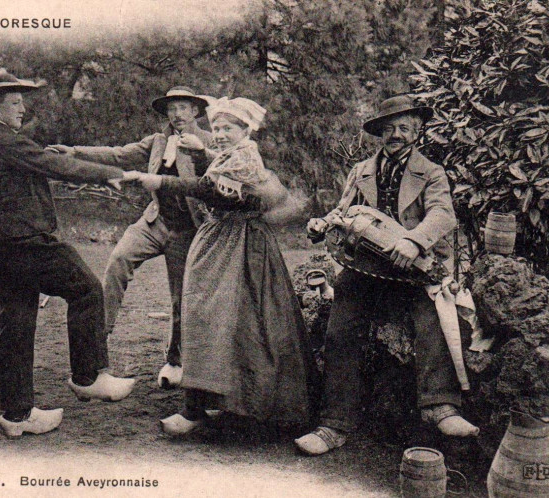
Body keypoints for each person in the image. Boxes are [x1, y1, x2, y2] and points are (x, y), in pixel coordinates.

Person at [0, 69, 138, 438]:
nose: (22, 110)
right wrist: (109, 174)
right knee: (85, 289)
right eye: (16, 103)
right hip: (28, 242)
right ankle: (89, 376)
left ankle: (17, 415)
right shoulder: (5, 141)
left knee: (16, 324)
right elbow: (59, 166)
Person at [295, 95, 479, 456]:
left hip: (413, 267)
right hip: (364, 266)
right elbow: (343, 209)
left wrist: (413, 241)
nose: (396, 134)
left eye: (404, 127)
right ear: (379, 133)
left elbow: (442, 215)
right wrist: (322, 223)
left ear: (418, 130)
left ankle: (440, 406)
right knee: (341, 329)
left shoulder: (431, 172)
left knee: (433, 318)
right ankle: (334, 424)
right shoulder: (361, 170)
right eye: (389, 128)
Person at [134, 96, 317, 436]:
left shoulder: (246, 157)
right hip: (221, 239)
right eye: (215, 127)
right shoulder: (231, 155)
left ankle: (220, 408)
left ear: (245, 130)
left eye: (227, 128)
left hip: (241, 246)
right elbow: (215, 177)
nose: (218, 133)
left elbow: (211, 190)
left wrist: (160, 181)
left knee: (228, 320)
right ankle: (209, 404)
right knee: (210, 321)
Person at [50, 87, 212, 390]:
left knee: (181, 297)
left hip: (189, 231)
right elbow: (118, 154)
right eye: (171, 109)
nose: (176, 115)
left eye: (182, 108)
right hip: (155, 221)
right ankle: (99, 344)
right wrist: (74, 151)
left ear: (195, 111)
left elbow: (207, 185)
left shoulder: (208, 144)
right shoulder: (157, 141)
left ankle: (175, 361)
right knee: (118, 260)